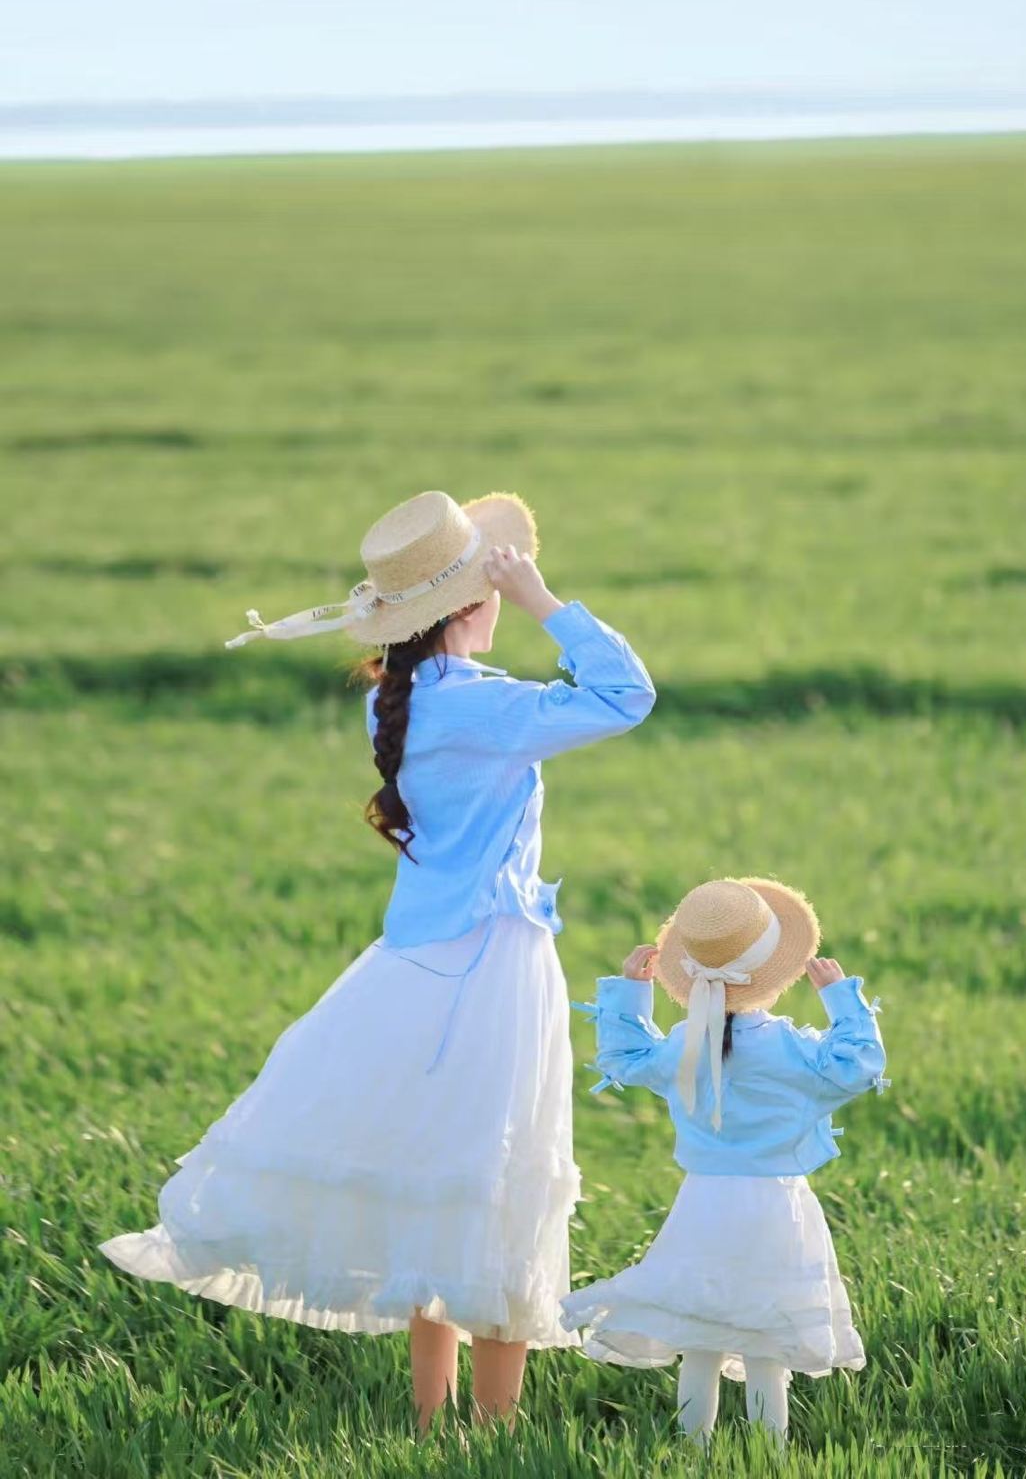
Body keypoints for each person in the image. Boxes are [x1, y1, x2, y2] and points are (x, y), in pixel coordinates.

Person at [100, 489, 655, 1432]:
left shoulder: (393, 704)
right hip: (492, 971)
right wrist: (548, 604)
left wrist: (498, 603)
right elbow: (626, 696)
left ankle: (434, 1414)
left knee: (436, 1182)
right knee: (492, 1185)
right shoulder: (480, 707)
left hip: (413, 966)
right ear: (474, 606)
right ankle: (495, 1428)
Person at [561, 876, 886, 1446]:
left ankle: (693, 1448)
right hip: (775, 1208)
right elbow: (857, 1065)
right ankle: (768, 1452)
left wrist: (630, 994)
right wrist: (842, 999)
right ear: (776, 974)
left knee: (701, 1335)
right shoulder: (789, 1049)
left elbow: (625, 1059)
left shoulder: (686, 1044)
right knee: (767, 1342)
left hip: (704, 1206)